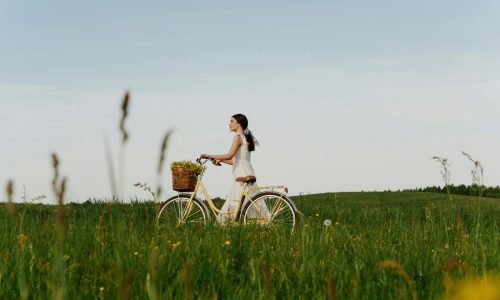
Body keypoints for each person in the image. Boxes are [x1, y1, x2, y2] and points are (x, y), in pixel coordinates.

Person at [200, 114, 269, 223]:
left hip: (240, 172)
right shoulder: (246, 137)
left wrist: (209, 155)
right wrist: (220, 160)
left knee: (237, 200)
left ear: (239, 124)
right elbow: (236, 161)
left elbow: (229, 155)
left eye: (232, 121)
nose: (229, 124)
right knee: (248, 199)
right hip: (246, 169)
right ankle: (251, 222)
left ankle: (231, 223)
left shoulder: (237, 137)